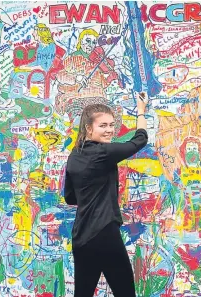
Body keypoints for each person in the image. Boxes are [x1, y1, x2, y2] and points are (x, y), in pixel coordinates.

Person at [64, 92, 148, 297]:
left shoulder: (74, 155)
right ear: (88, 128)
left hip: (81, 236)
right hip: (104, 233)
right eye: (103, 126)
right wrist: (141, 111)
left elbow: (70, 198)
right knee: (125, 293)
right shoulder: (104, 152)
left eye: (112, 125)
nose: (110, 130)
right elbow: (140, 140)